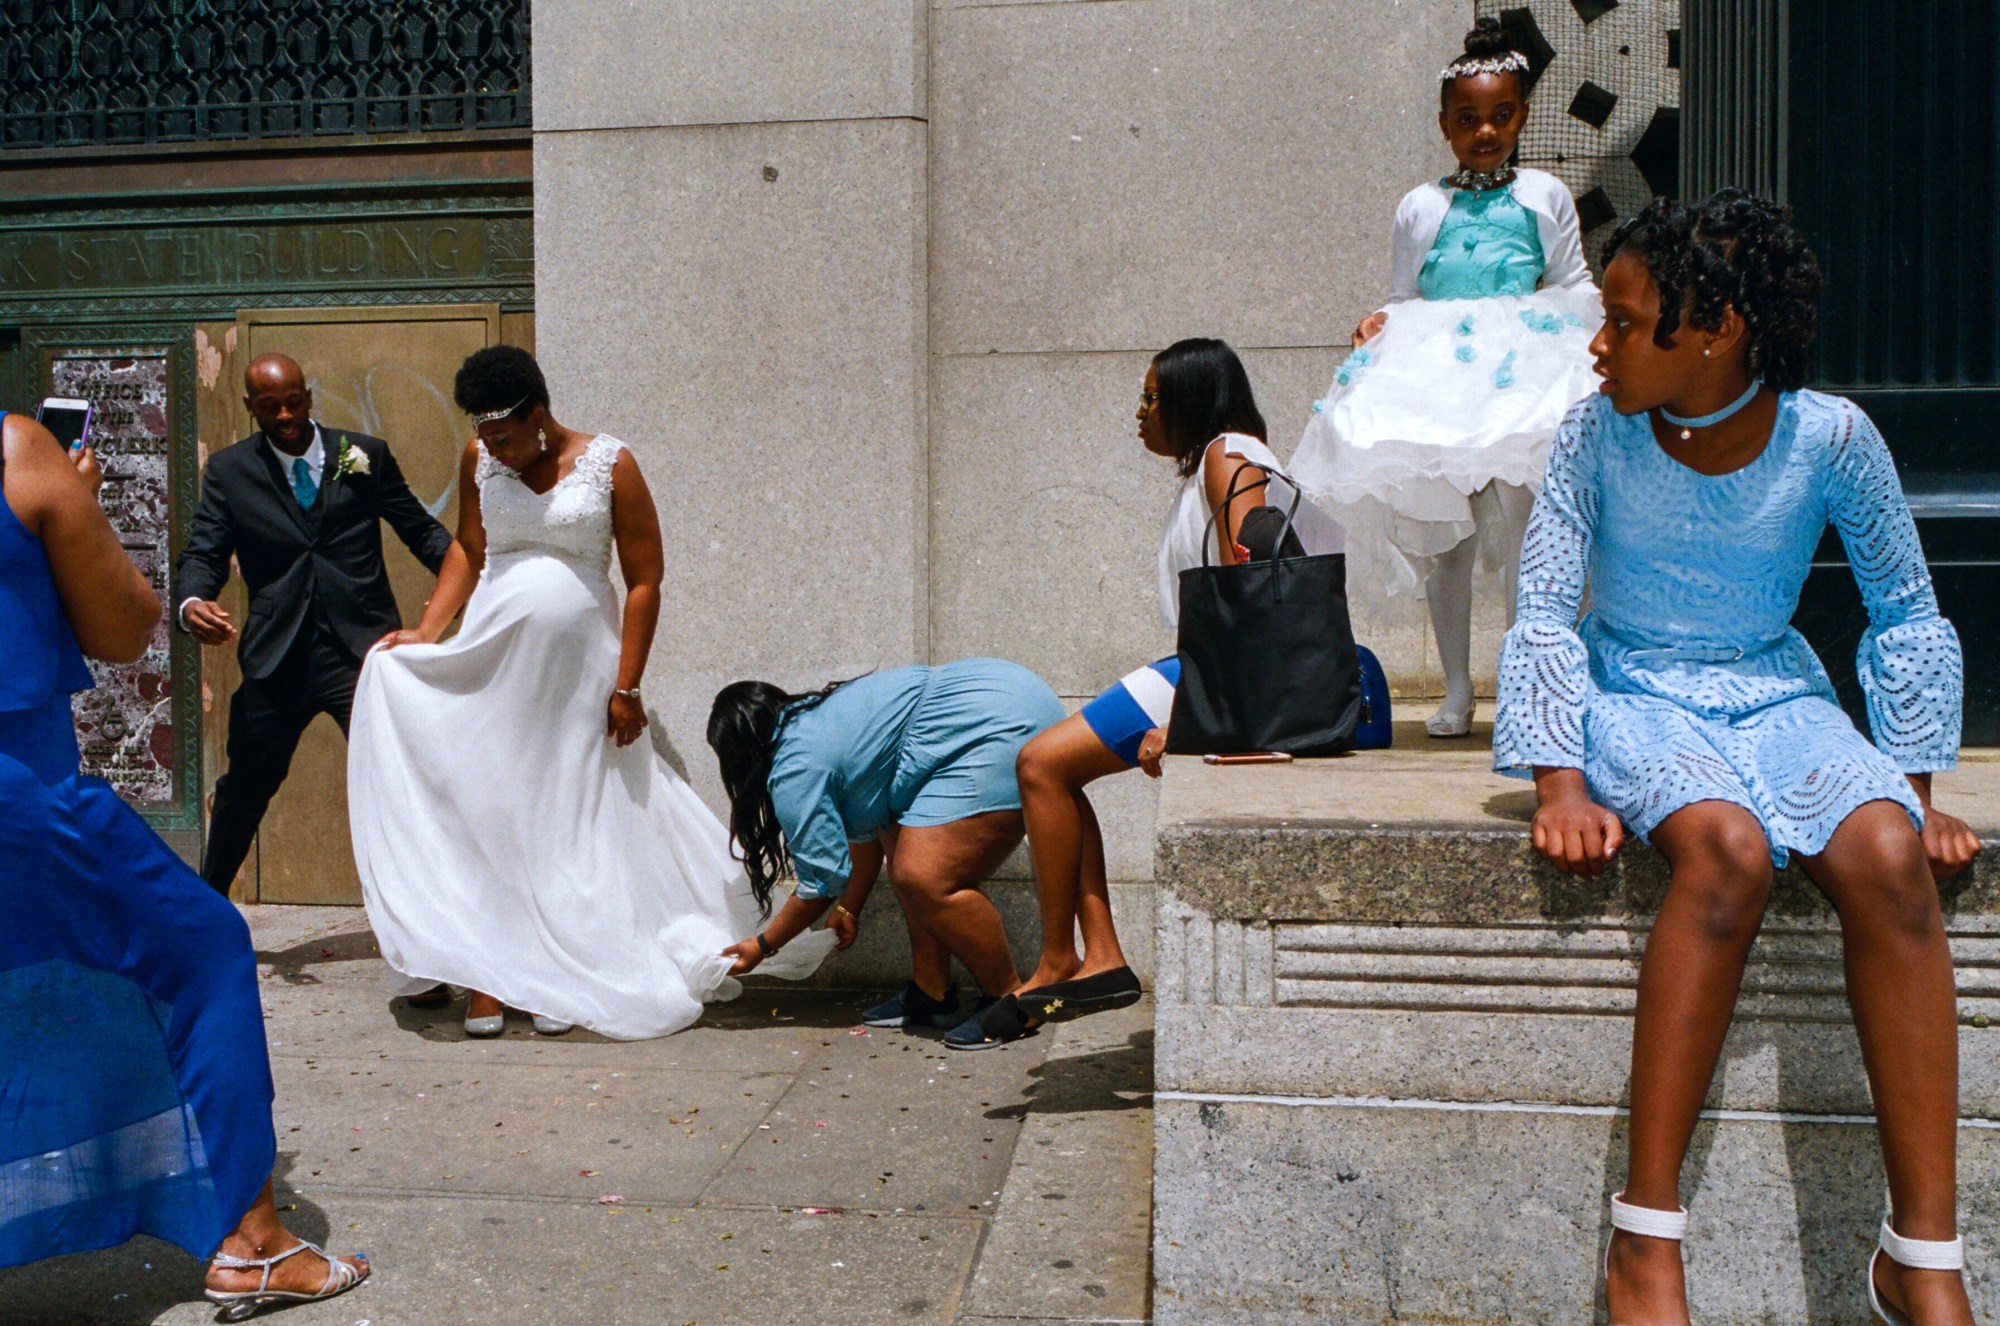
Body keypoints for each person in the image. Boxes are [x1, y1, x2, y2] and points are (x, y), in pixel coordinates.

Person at [1494, 192, 1979, 1325]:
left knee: (1882, 859)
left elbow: (1902, 606)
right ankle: (1644, 1243)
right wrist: (1557, 780)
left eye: (1620, 318)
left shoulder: (1832, 439)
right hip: (1635, 688)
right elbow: (1549, 603)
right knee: (1724, 851)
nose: (1596, 343)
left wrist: (1907, 790)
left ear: (1709, 333)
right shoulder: (1591, 433)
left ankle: (1921, 1256)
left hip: (1772, 689)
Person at [346, 347, 830, 1041]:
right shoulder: (479, 458)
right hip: (496, 660)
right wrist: (427, 628)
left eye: (505, 437)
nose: (495, 452)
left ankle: (563, 966)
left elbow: (643, 580)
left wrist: (628, 685)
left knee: (565, 807)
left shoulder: (611, 463)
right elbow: (470, 549)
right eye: (485, 439)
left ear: (538, 415)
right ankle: (490, 974)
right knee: (493, 802)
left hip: (580, 672)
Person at [0, 411, 368, 1314]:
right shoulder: (21, 451)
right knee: (202, 945)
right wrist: (81, 507)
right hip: (19, 792)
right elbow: (123, 629)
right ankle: (253, 1243)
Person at [1008, 338, 1344, 1028]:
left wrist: (1189, 720)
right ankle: (1092, 956)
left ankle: (1065, 960)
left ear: (1194, 399)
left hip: (1219, 670)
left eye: (1152, 398)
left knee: (1041, 763)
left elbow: (1249, 603)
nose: (1140, 414)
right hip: (1212, 663)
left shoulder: (1230, 457)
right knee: (1050, 770)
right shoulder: (1223, 462)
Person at [1290, 16, 1601, 737]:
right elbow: (1405, 294)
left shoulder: (1544, 195)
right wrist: (1378, 324)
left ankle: (1527, 681)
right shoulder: (1421, 205)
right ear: (1444, 125)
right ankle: (1457, 687)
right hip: (1441, 374)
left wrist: (1595, 336)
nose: (1485, 133)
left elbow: (1572, 279)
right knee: (1445, 539)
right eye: (1468, 120)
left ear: (1520, 115)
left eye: (1500, 117)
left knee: (1531, 528)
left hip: (1527, 371)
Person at [173, 352, 453, 903]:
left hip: (362, 653)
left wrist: (472, 582)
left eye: (294, 402)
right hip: (278, 658)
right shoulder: (230, 471)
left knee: (398, 790)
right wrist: (191, 602)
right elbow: (204, 551)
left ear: (308, 396)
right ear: (251, 407)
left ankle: (427, 927)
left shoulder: (363, 456)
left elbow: (420, 531)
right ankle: (203, 915)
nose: (285, 416)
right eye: (270, 407)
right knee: (243, 792)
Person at [707, 658, 1066, 1049]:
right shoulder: (817, 726)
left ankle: (1010, 1000)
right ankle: (932, 994)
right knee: (902, 848)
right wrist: (849, 910)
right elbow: (867, 839)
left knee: (924, 875)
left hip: (1001, 726)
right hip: (1013, 695)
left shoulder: (795, 768)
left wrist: (762, 946)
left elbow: (822, 881)